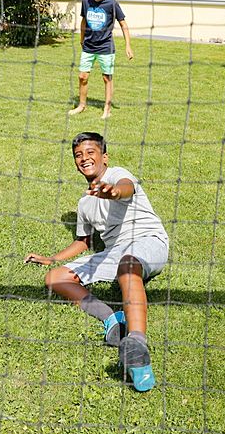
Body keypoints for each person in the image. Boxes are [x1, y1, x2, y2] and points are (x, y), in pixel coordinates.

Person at [25, 132, 168, 392]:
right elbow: (83, 242)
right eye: (78, 155)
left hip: (147, 241)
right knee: (55, 278)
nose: (84, 158)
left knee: (127, 266)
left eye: (90, 152)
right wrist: (52, 259)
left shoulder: (116, 174)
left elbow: (125, 187)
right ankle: (113, 319)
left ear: (104, 157)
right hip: (114, 251)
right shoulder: (84, 202)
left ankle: (137, 344)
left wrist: (112, 192)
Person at [68, 0, 133, 120]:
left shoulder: (112, 4)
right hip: (88, 46)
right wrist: (82, 38)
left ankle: (107, 108)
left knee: (107, 78)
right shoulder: (86, 1)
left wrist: (128, 45)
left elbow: (123, 24)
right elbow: (84, 21)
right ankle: (82, 105)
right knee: (82, 76)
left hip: (106, 48)